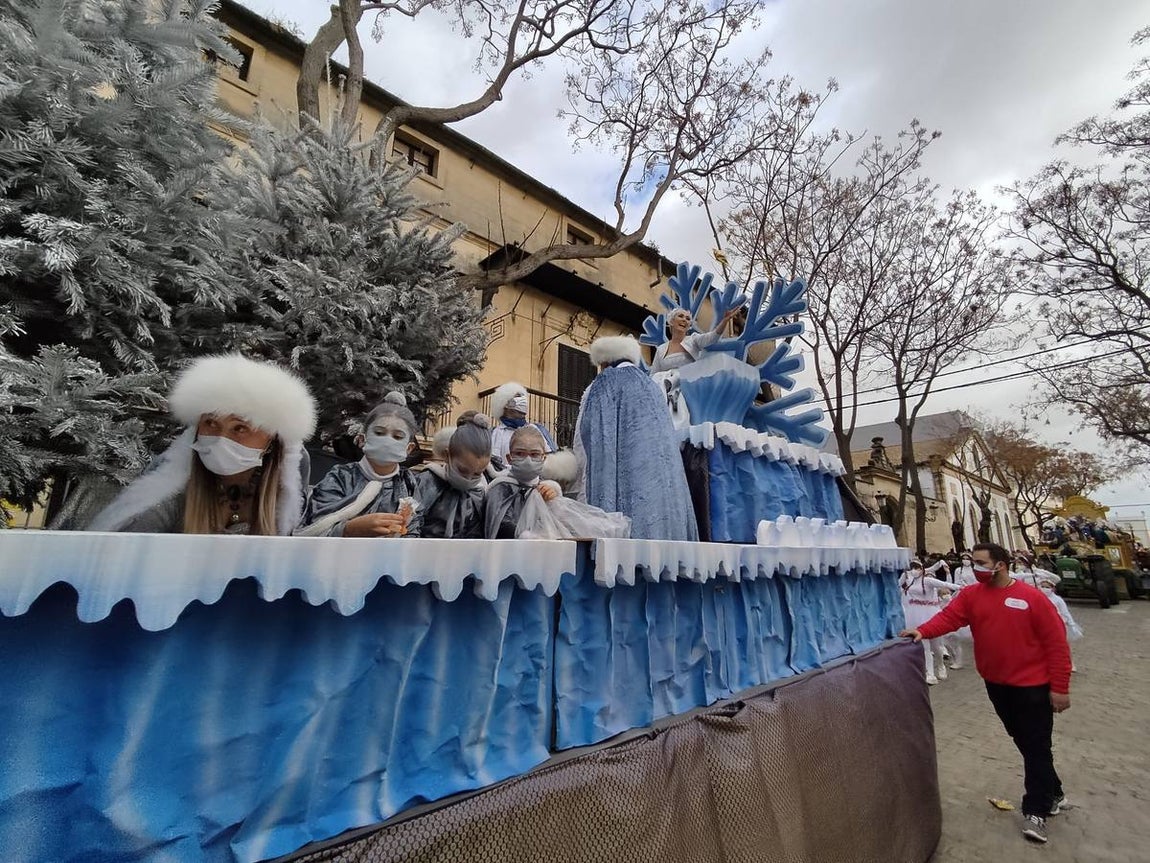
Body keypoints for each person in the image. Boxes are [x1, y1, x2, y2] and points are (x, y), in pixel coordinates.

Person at [901, 542, 1072, 845]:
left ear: (1000, 565)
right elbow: (950, 618)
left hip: (1033, 687)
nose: (974, 567)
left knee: (1035, 744)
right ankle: (1054, 791)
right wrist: (922, 631)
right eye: (973, 562)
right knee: (1025, 741)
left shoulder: (1032, 598)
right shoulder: (971, 596)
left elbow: (1057, 645)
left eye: (980, 562)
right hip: (996, 684)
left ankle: (1036, 810)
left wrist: (1059, 688)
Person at [90, 354, 316, 535]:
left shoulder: (287, 479)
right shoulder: (171, 494)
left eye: (239, 428)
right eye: (210, 423)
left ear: (271, 439)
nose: (220, 438)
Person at [576, 335, 698, 542]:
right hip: (664, 507)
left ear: (603, 362)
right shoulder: (651, 387)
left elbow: (596, 439)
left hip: (629, 508)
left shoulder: (606, 382)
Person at [296, 392, 422, 537]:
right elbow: (314, 528)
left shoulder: (408, 484)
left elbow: (414, 529)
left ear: (409, 448)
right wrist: (349, 529)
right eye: (379, 433)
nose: (388, 441)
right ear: (362, 439)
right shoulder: (340, 477)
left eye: (398, 437)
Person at [417, 413, 492, 538]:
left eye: (477, 474)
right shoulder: (428, 482)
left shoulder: (480, 493)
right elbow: (410, 524)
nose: (468, 479)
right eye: (463, 470)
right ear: (447, 456)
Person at [484, 426, 559, 538]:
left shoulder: (546, 489)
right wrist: (527, 536)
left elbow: (557, 525)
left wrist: (552, 503)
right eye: (520, 453)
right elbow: (498, 525)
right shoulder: (500, 488)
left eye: (534, 454)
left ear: (543, 458)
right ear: (509, 458)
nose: (528, 460)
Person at [899, 559, 956, 685]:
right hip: (915, 614)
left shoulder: (928, 580)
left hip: (930, 613)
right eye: (911, 567)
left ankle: (941, 665)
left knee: (936, 645)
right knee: (924, 646)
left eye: (916, 567)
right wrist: (903, 576)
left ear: (921, 568)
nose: (914, 570)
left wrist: (963, 588)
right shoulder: (909, 580)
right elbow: (897, 586)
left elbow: (945, 584)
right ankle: (929, 673)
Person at [648, 306, 740, 374]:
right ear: (671, 321)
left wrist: (725, 321)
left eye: (688, 319)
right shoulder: (661, 349)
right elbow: (653, 375)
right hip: (666, 392)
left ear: (689, 326)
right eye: (680, 316)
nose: (684, 320)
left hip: (686, 390)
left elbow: (712, 337)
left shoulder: (693, 340)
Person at [488, 382, 556, 467]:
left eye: (523, 396)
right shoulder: (494, 434)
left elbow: (550, 459)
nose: (523, 401)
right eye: (517, 397)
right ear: (505, 404)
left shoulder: (538, 430)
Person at [1037, 575, 1081, 673]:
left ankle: (1070, 663)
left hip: (1059, 624)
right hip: (1044, 625)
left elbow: (1065, 612)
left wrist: (1071, 624)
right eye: (1042, 586)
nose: (1044, 589)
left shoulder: (1058, 600)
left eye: (1047, 587)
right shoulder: (1039, 598)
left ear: (1053, 588)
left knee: (1063, 645)